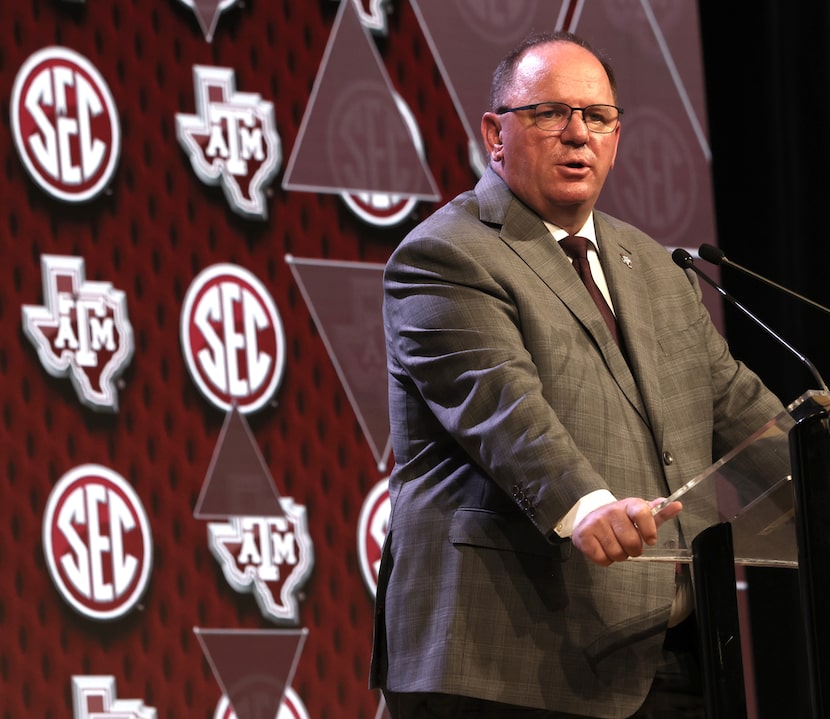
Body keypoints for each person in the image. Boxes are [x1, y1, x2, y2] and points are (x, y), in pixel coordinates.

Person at [369, 31, 785, 718]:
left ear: (616, 137)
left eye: (597, 117)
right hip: (505, 664)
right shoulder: (446, 256)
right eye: (548, 113)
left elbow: (735, 403)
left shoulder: (653, 265)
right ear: (495, 134)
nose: (576, 134)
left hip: (669, 657)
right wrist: (586, 503)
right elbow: (504, 410)